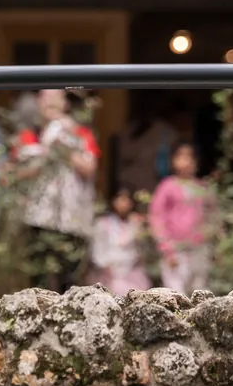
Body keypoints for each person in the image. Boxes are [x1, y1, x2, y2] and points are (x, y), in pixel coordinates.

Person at [17, 89, 99, 291]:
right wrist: (44, 151)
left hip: (72, 218)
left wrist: (63, 146)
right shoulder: (29, 134)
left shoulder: (80, 133)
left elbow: (89, 168)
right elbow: (18, 172)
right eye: (46, 97)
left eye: (56, 97)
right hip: (37, 217)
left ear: (65, 104)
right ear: (38, 103)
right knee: (38, 277)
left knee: (69, 278)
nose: (51, 102)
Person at [148, 143, 217, 296]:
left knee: (199, 292)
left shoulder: (202, 187)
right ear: (173, 160)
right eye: (181, 156)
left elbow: (213, 217)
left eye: (189, 157)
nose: (185, 161)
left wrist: (214, 245)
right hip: (175, 249)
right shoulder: (167, 186)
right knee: (175, 294)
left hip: (198, 249)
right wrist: (166, 248)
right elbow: (157, 218)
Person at [91, 189, 152, 295]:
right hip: (110, 271)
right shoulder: (103, 223)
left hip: (131, 271)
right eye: (120, 200)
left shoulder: (134, 224)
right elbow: (97, 248)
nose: (123, 204)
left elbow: (141, 249)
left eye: (126, 200)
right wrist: (105, 265)